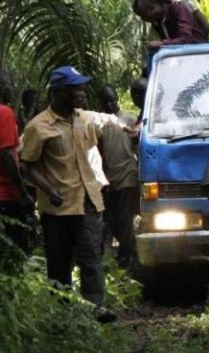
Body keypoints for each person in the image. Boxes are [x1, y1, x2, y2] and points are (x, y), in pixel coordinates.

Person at [20, 66, 134, 323]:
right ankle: (63, 317)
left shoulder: (83, 117)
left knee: (91, 257)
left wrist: (126, 127)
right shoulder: (38, 127)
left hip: (88, 202)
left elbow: (107, 119)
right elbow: (27, 166)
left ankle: (97, 309)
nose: (83, 94)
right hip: (58, 208)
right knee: (59, 265)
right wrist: (49, 189)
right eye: (77, 89)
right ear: (61, 93)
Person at [97, 85, 139, 269]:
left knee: (124, 219)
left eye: (112, 100)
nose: (109, 104)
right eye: (105, 101)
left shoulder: (129, 119)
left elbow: (138, 147)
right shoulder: (99, 124)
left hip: (128, 175)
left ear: (117, 100)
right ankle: (129, 252)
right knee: (112, 221)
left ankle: (125, 262)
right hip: (109, 180)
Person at [0, 70, 35, 253]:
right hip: (6, 194)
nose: (12, 90)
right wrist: (23, 194)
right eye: (9, 86)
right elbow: (6, 155)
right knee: (16, 252)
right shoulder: (5, 112)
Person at [132, 0, 208, 51]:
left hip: (198, 53)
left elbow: (186, 39)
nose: (143, 19)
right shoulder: (157, 23)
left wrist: (162, 43)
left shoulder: (177, 9)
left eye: (143, 15)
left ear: (151, 8)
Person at [145, 0, 209, 39]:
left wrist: (198, 41)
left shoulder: (183, 1)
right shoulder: (165, 10)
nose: (156, 0)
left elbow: (205, 26)